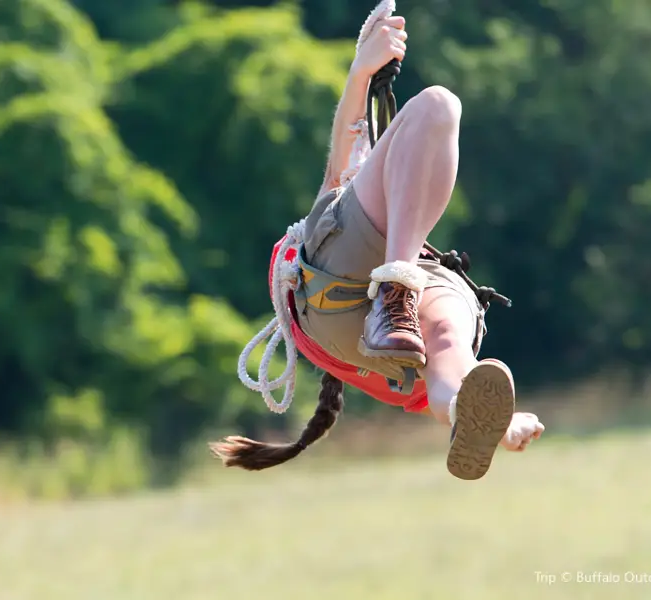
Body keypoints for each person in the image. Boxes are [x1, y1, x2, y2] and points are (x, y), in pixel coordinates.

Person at [210, 14, 544, 481]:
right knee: (437, 106)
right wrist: (362, 71)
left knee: (453, 366)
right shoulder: (353, 199)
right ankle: (397, 290)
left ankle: (485, 419)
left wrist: (362, 69)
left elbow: (345, 168)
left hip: (347, 319)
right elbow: (342, 161)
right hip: (346, 297)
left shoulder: (361, 215)